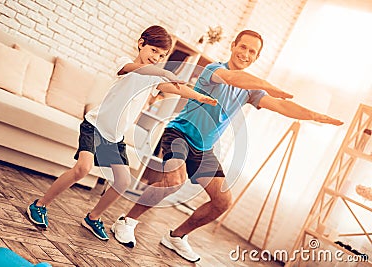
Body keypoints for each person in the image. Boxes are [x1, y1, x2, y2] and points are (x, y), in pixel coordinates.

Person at [110, 30, 343, 262]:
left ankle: (176, 236)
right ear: (233, 46)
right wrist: (267, 84)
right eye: (243, 47)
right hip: (180, 133)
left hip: (204, 148)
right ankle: (127, 221)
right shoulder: (214, 70)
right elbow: (233, 79)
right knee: (173, 180)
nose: (246, 54)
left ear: (256, 57)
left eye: (252, 52)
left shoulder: (251, 90)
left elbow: (280, 106)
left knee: (222, 201)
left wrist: (313, 115)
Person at [26, 25, 217, 241]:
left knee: (123, 181)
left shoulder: (154, 79)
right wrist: (162, 72)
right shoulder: (126, 63)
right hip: (95, 127)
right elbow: (137, 69)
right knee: (82, 168)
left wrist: (199, 97)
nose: (156, 58)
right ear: (141, 43)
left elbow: (177, 88)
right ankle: (40, 205)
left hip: (114, 138)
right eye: (153, 50)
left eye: (162, 55)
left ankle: (93, 218)